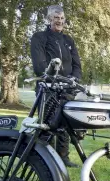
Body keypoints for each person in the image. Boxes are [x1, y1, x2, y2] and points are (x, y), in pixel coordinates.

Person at [30, 5, 82, 168]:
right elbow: (39, 64)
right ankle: (44, 158)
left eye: (62, 18)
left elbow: (77, 64)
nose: (59, 21)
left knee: (65, 124)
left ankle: (63, 157)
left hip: (67, 87)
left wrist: (74, 79)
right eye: (56, 18)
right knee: (47, 123)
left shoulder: (68, 40)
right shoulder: (39, 37)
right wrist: (52, 78)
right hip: (47, 87)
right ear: (48, 19)